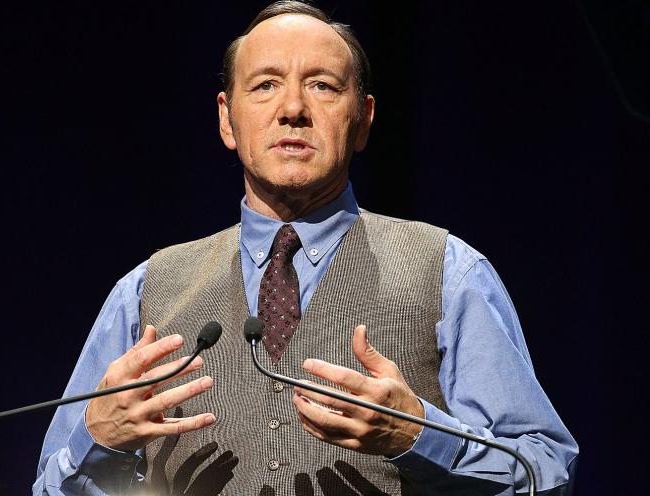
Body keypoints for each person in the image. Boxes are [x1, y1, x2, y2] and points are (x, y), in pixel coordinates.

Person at [34, 2, 578, 495]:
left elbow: (544, 472)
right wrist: (97, 440)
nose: (293, 107)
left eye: (322, 85)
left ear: (362, 119)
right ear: (227, 118)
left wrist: (421, 437)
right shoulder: (147, 291)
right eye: (266, 85)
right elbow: (50, 487)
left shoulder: (449, 273)